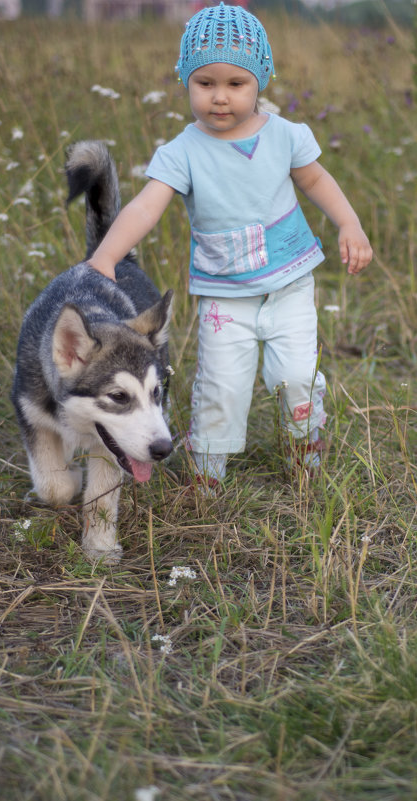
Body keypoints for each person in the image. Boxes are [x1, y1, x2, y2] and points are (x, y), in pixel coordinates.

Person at [87, 2, 373, 487]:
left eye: (236, 84)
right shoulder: (182, 151)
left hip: (289, 287)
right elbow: (143, 207)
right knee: (222, 385)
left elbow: (317, 180)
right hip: (224, 297)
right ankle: (209, 470)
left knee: (298, 376)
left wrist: (349, 223)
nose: (220, 97)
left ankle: (304, 452)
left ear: (261, 79)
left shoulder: (285, 136)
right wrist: (107, 255)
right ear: (186, 82)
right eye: (206, 84)